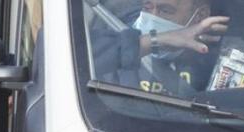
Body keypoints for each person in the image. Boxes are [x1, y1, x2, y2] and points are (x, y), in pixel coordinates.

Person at [93, 0, 229, 93]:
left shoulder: (223, 58)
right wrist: (152, 41)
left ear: (201, 15)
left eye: (165, 11)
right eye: (147, 7)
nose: (152, 18)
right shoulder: (115, 37)